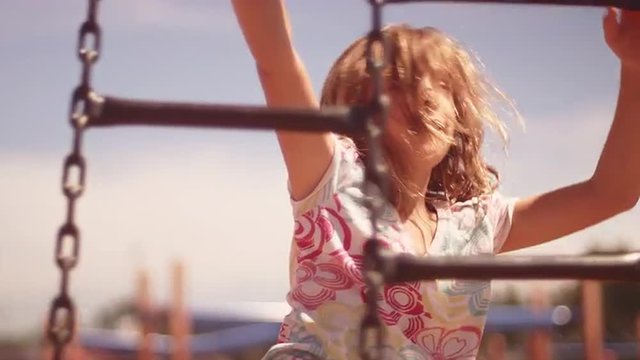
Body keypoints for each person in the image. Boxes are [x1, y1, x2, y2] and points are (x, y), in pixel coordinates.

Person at [231, 1, 640, 359]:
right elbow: (277, 60)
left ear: (459, 113)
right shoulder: (331, 177)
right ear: (355, 106)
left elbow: (613, 192)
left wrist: (634, 67)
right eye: (398, 81)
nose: (423, 93)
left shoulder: (475, 224)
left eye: (441, 84)